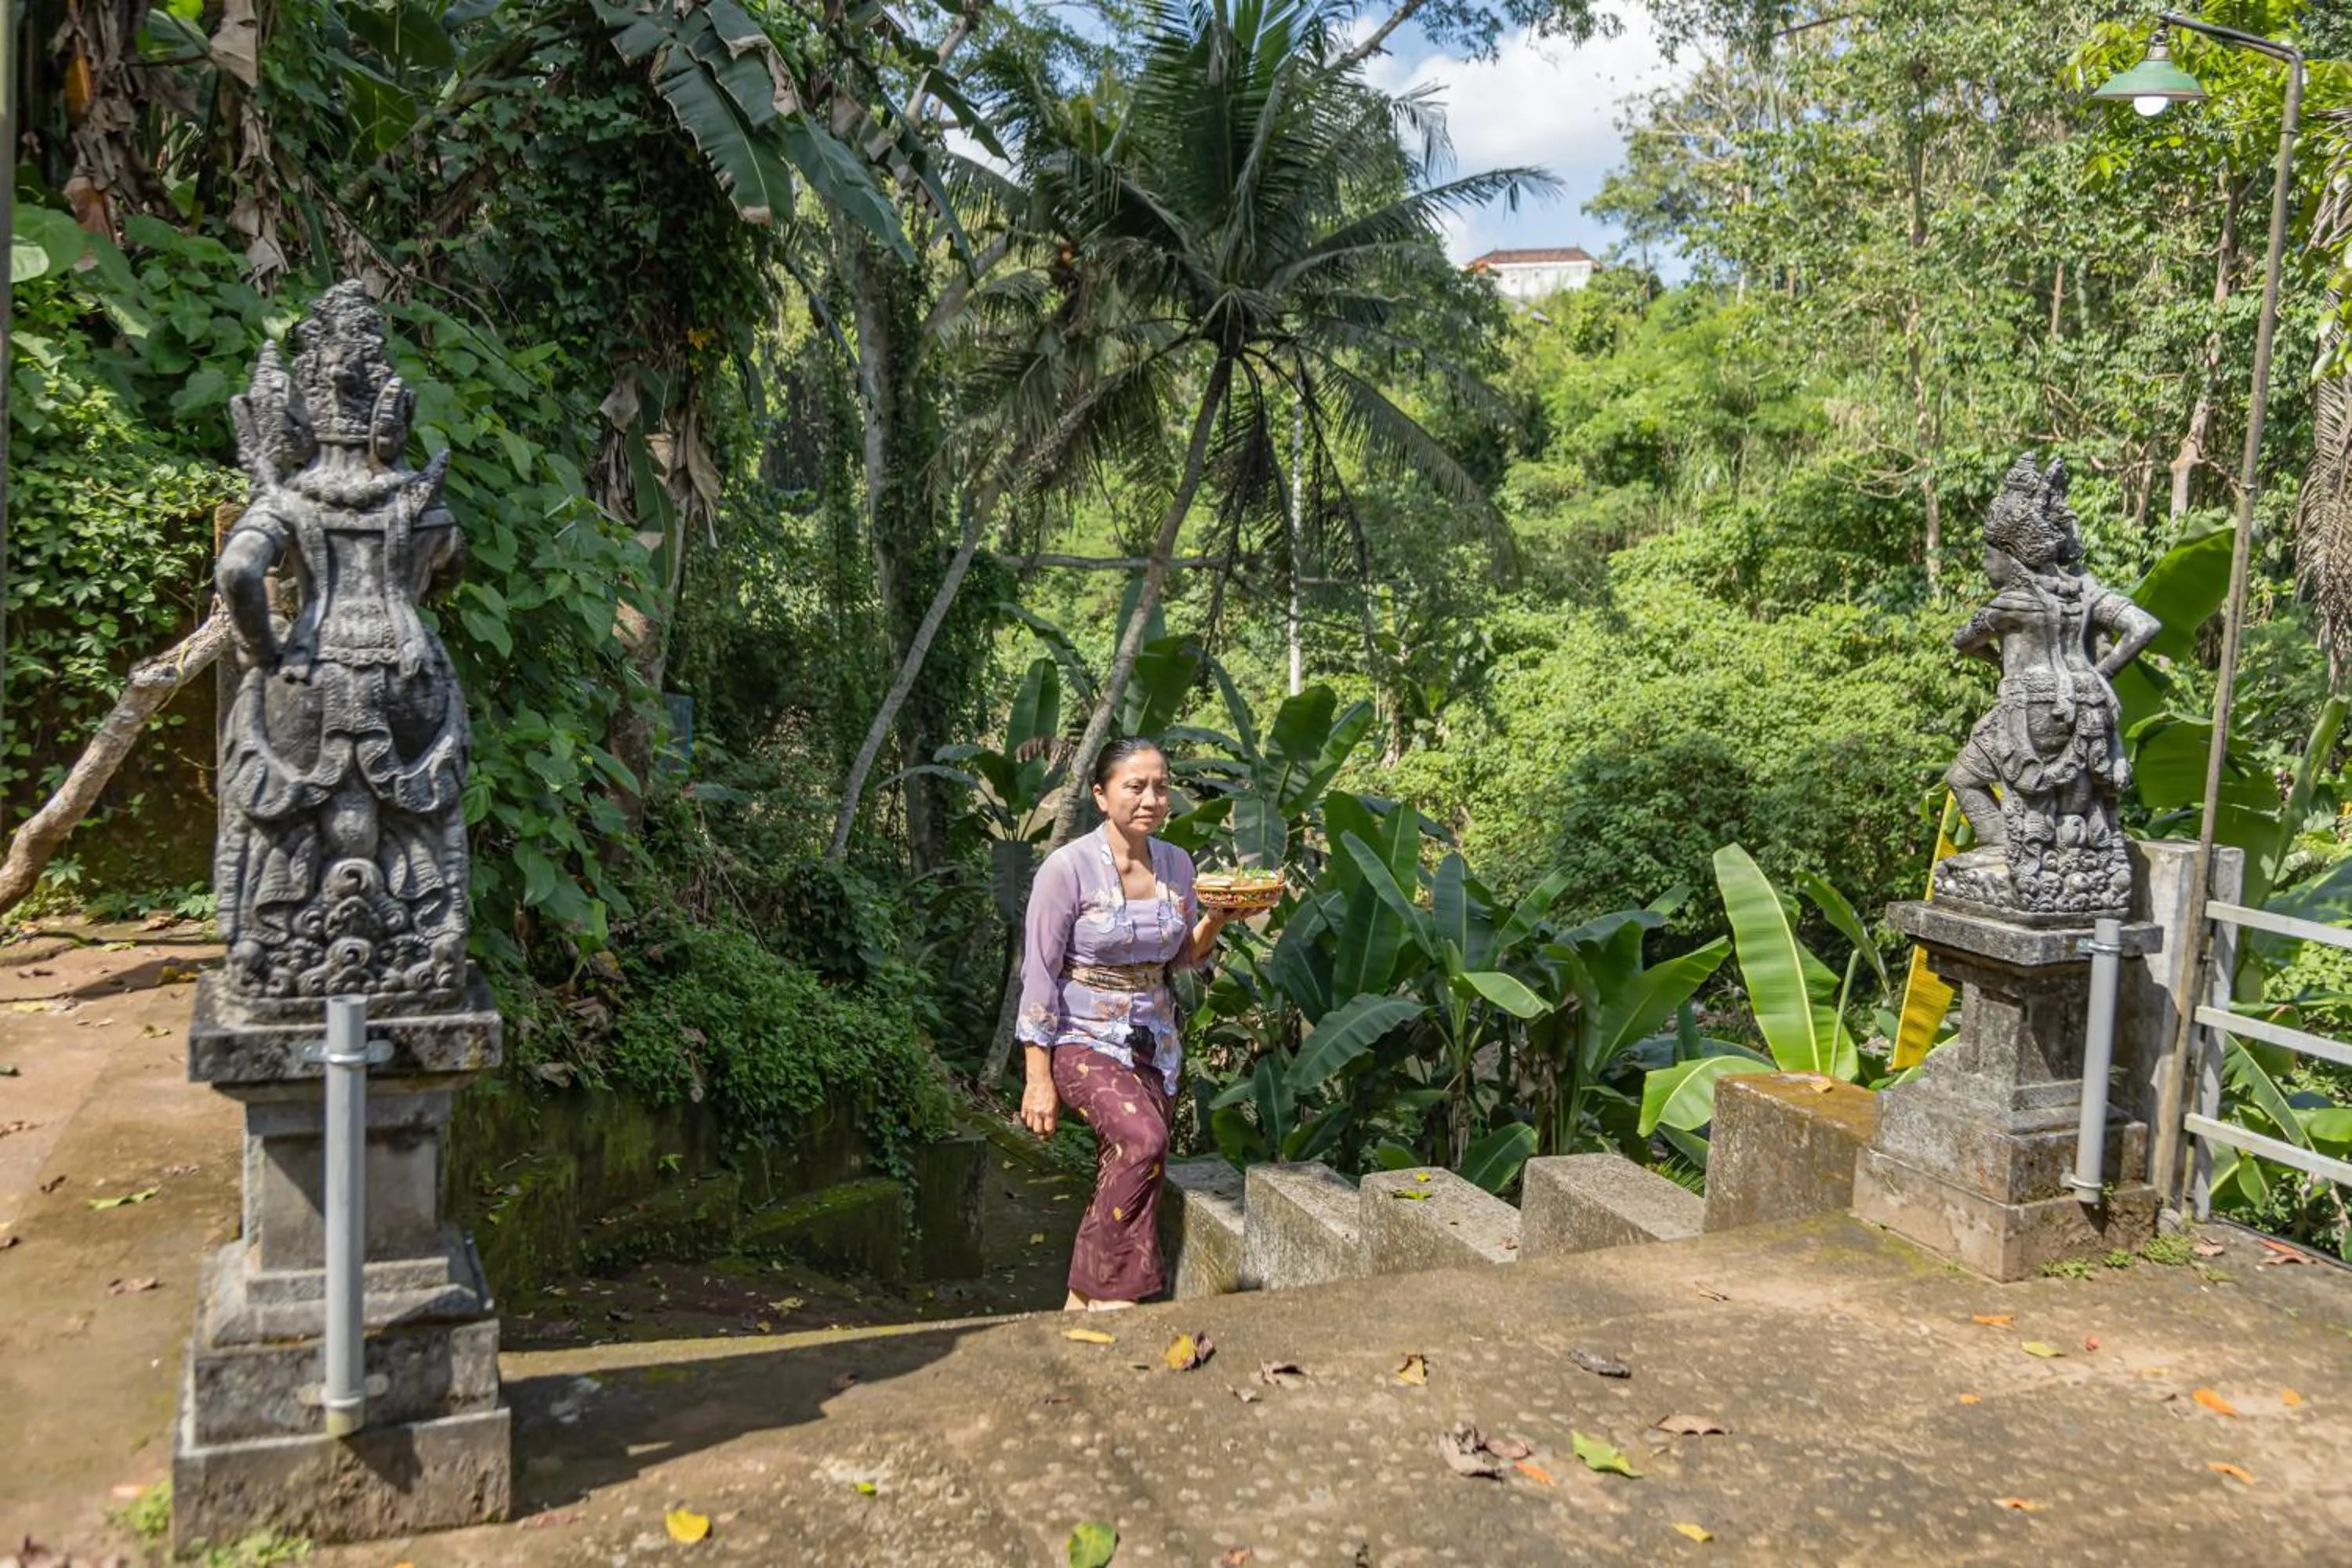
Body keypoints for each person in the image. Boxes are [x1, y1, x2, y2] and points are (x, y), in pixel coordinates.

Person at [1015, 736, 1230, 1310]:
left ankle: (1078, 1306)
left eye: (1161, 786)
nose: (1151, 798)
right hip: (1079, 1037)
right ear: (1101, 794)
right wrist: (1038, 1078)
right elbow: (1038, 974)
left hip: (1154, 1044)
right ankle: (1116, 1301)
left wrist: (1217, 917)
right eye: (1135, 786)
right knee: (1144, 1140)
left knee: (1130, 1163)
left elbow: (1183, 956)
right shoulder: (1066, 870)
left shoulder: (1178, 865)